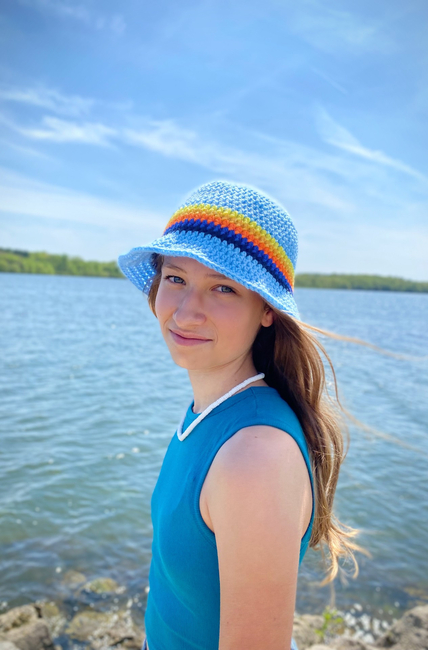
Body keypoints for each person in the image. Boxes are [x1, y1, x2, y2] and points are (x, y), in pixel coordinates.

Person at [118, 181, 361, 650]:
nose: (187, 312)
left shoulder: (256, 456)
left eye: (223, 288)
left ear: (266, 310)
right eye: (175, 278)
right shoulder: (210, 414)